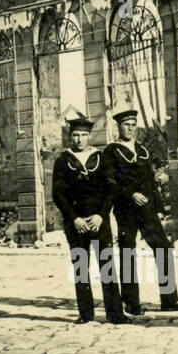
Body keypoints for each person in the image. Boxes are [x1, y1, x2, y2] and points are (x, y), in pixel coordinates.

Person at [102, 108, 178, 313]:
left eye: (133, 125)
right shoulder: (111, 151)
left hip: (147, 211)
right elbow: (110, 182)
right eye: (126, 125)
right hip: (125, 210)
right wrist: (130, 194)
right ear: (119, 127)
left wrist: (159, 208)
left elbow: (151, 182)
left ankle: (170, 300)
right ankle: (131, 302)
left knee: (163, 248)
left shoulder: (142, 150)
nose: (130, 128)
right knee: (128, 253)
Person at [51, 114, 128, 325]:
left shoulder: (101, 159)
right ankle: (85, 314)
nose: (79, 140)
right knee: (80, 267)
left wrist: (101, 215)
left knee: (107, 266)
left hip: (98, 222)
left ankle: (115, 313)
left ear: (89, 137)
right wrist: (74, 218)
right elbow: (58, 195)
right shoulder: (62, 161)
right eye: (75, 135)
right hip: (75, 225)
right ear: (70, 137)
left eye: (83, 135)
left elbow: (111, 190)